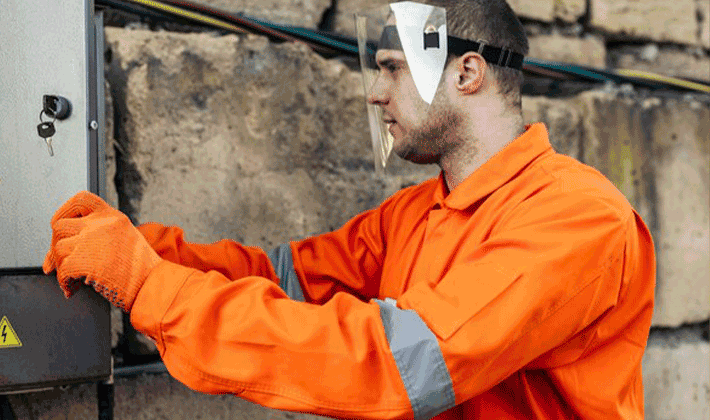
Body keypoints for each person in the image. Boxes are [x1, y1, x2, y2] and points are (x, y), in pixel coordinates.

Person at [43, 0, 656, 418]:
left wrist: (152, 288)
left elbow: (394, 364)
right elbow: (283, 278)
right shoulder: (417, 212)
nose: (375, 91)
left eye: (392, 69)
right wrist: (138, 248)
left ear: (467, 72)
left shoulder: (576, 218)